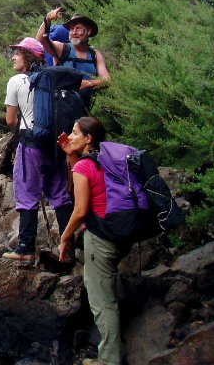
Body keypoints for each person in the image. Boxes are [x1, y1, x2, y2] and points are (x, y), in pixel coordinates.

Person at [58, 117, 124, 365]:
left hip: (100, 237)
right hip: (120, 231)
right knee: (108, 291)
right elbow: (85, 189)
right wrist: (70, 156)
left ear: (88, 139)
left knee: (102, 302)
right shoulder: (105, 159)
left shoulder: (84, 167)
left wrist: (65, 237)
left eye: (75, 133)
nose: (69, 136)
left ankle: (109, 360)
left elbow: (81, 208)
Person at [2, 37, 73, 263]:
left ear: (29, 56)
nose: (13, 57)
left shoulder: (16, 81)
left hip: (31, 144)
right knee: (60, 195)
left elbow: (11, 120)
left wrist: (26, 132)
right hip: (57, 144)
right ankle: (68, 248)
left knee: (27, 194)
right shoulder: (52, 78)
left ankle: (25, 248)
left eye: (18, 54)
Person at [36, 9, 110, 108]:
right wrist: (48, 19)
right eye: (71, 29)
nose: (74, 32)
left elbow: (107, 80)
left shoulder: (95, 55)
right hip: (60, 110)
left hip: (84, 109)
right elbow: (41, 40)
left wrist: (88, 83)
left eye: (78, 28)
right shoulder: (62, 49)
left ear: (88, 31)